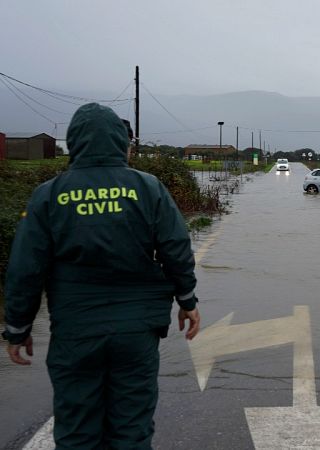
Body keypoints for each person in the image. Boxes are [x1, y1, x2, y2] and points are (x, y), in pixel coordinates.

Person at [2, 103, 201, 448]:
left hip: (76, 331)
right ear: (120, 143)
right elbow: (176, 249)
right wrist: (187, 300)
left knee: (77, 431)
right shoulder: (148, 188)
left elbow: (25, 269)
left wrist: (18, 328)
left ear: (75, 143)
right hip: (137, 332)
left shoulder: (49, 195)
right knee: (132, 429)